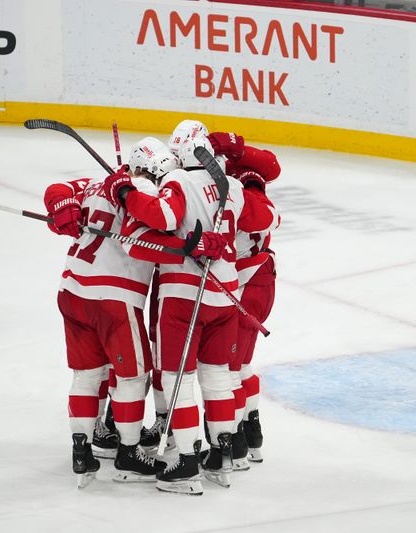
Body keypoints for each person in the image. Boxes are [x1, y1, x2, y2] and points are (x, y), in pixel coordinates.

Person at [107, 122, 278, 494]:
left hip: (185, 296)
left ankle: (185, 462)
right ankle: (222, 456)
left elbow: (163, 217)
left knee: (178, 379)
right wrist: (251, 184)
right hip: (225, 294)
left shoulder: (179, 182)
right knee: (217, 376)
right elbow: (267, 219)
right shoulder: (230, 187)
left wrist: (124, 193)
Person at [44, 137, 224, 487]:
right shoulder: (145, 191)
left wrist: (61, 206)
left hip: (72, 291)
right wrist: (192, 246)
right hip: (114, 298)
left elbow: (61, 188)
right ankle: (128, 453)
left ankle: (82, 450)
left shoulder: (98, 183)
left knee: (87, 373)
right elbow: (139, 240)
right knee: (132, 376)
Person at [207, 131, 282, 468]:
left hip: (246, 284)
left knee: (230, 368)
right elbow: (269, 166)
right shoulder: (261, 200)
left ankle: (234, 440)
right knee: (243, 363)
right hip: (262, 279)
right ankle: (252, 432)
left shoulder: (237, 199)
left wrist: (234, 151)